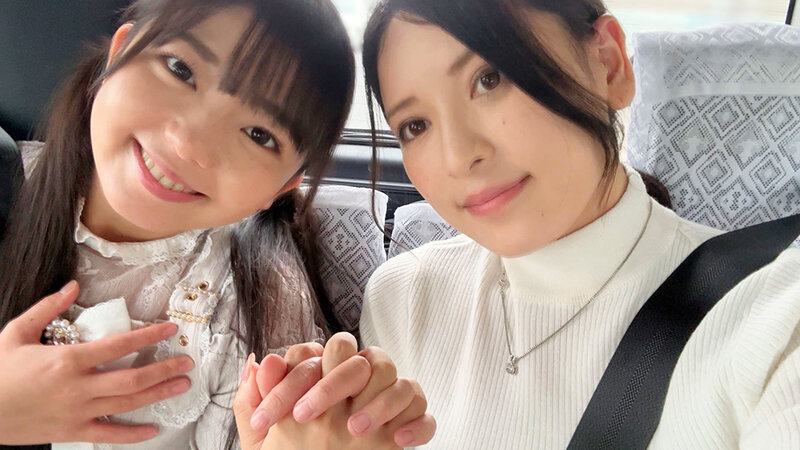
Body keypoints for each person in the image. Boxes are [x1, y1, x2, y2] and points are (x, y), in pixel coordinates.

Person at [246, 0, 800, 448]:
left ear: (609, 64)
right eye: (415, 124)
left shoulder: (774, 315)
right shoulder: (405, 298)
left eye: (489, 78)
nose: (458, 156)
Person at [0, 0, 429, 448]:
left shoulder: (252, 315)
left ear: (283, 186)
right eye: (180, 70)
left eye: (259, 135)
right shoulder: (6, 181)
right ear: (120, 52)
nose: (189, 145)